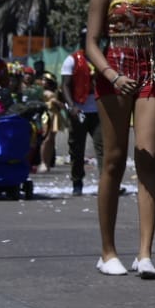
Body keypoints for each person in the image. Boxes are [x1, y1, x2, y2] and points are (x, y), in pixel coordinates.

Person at [85, 0, 155, 278]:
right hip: (114, 73)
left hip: (151, 72)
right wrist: (111, 75)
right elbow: (90, 43)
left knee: (148, 156)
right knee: (114, 161)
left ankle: (145, 253)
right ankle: (107, 252)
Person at [60, 30, 104, 196]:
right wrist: (71, 106)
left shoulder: (101, 59)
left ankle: (107, 182)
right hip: (79, 110)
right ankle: (77, 181)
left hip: (98, 110)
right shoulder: (72, 60)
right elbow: (64, 85)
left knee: (104, 147)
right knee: (77, 148)